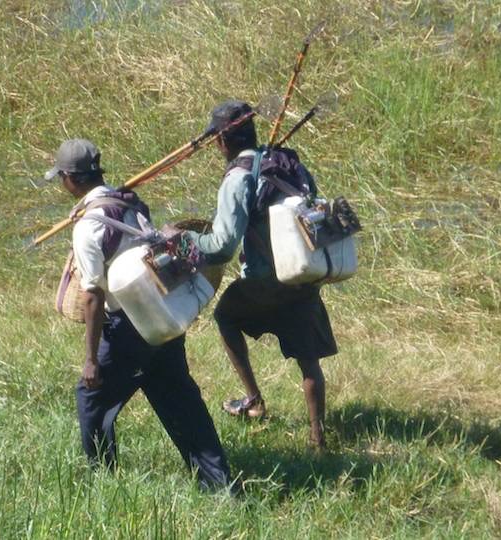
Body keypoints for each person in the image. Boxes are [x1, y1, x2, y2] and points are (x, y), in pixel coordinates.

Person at [44, 138, 231, 489]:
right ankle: (218, 483)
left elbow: (93, 297)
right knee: (180, 400)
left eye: (61, 177)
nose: (61, 183)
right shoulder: (129, 202)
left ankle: (104, 483)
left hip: (128, 327)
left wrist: (90, 359)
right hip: (162, 314)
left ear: (70, 178)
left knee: (92, 399)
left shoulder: (88, 225)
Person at [183, 101, 338, 449]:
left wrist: (188, 241)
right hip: (303, 273)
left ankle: (253, 400)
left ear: (222, 141)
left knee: (225, 315)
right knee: (308, 358)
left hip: (265, 281)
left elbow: (222, 246)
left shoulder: (237, 179)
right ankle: (318, 437)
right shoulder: (287, 163)